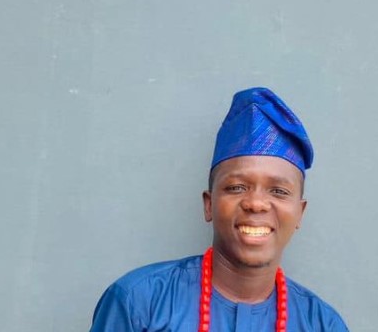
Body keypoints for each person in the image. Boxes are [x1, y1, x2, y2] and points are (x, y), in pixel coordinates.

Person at [90, 87, 349, 331]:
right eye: (236, 187)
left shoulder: (322, 325)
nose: (256, 203)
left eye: (278, 191)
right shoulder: (139, 302)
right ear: (209, 204)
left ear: (300, 213)